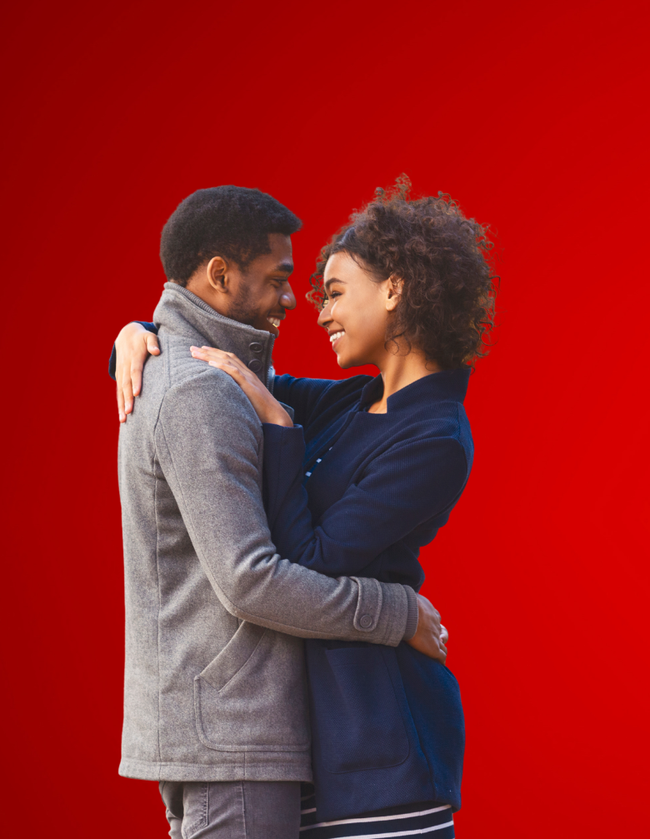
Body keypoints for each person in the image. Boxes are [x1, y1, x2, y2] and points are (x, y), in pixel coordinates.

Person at [114, 178, 493, 839]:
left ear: (395, 290)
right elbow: (204, 372)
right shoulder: (353, 401)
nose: (316, 313)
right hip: (319, 736)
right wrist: (136, 334)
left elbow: (307, 558)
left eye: (336, 293)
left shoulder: (433, 438)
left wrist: (281, 431)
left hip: (381, 740)